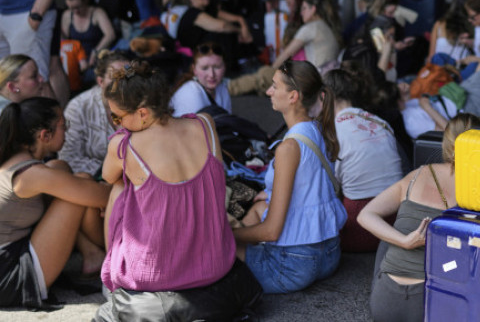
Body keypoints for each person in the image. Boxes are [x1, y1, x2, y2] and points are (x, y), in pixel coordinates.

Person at [101, 60, 238, 296]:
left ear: (142, 113)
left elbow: (107, 176)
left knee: (118, 187)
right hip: (215, 265)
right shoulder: (205, 123)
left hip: (154, 274)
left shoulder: (124, 145)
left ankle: (111, 281)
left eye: (117, 117)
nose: (117, 124)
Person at [233, 60, 347, 294]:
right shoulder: (319, 129)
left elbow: (271, 231)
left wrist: (227, 235)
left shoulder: (288, 148)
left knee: (217, 245)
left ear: (293, 96)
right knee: (260, 207)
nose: (268, 92)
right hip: (330, 254)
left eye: (275, 86)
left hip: (293, 266)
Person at [358, 113, 480, 322]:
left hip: (383, 302)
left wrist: (404, 241)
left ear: (446, 142)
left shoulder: (416, 175)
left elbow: (365, 215)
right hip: (427, 303)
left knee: (387, 237)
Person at [0, 97, 110, 309]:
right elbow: (102, 196)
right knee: (79, 190)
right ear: (45, 135)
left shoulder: (14, 159)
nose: (66, 130)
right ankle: (103, 251)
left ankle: (92, 254)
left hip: (10, 253)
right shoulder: (32, 174)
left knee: (60, 168)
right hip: (9, 274)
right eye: (63, 125)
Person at [325, 66, 404, 252]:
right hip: (395, 220)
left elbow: (329, 185)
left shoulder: (332, 131)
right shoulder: (380, 122)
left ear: (325, 96)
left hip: (360, 225)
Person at [60, 51, 128, 177]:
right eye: (115, 77)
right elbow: (68, 157)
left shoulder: (141, 105)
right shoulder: (79, 107)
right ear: (100, 81)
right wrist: (110, 172)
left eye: (128, 77)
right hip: (92, 180)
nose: (123, 83)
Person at [175, 0, 253, 53]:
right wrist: (240, 31)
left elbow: (237, 18)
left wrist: (243, 25)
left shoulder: (208, 9)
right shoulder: (191, 13)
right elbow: (221, 26)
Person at [272, 0, 343, 71]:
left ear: (313, 9)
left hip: (318, 75)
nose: (301, 13)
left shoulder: (311, 27)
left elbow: (287, 54)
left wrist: (271, 70)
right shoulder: (327, 27)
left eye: (304, 8)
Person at [60, 0, 116, 79]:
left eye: (78, 7)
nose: (75, 11)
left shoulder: (97, 13)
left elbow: (110, 35)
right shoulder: (67, 15)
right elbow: (65, 41)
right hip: (76, 59)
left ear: (85, 0)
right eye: (72, 8)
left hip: (96, 58)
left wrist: (96, 51)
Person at [170, 42, 232, 116]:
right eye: (204, 68)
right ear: (194, 69)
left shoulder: (222, 88)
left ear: (225, 66)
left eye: (217, 67)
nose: (211, 74)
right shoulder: (191, 93)